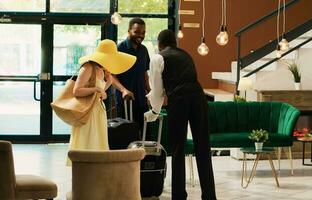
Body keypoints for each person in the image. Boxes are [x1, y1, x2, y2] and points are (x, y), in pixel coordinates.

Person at [144, 29, 217, 200]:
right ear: (175, 43)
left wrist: (154, 111)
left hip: (180, 101)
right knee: (203, 148)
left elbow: (157, 89)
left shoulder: (158, 57)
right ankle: (209, 196)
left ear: (159, 44)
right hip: (199, 99)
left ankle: (179, 196)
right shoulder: (186, 55)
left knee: (178, 149)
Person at [67, 39, 136, 165]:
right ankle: (83, 171)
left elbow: (99, 93)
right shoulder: (88, 67)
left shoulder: (100, 70)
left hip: (97, 111)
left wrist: (108, 81)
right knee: (88, 142)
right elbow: (77, 91)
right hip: (87, 112)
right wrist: (96, 88)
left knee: (96, 142)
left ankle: (95, 171)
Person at [112, 17, 150, 130]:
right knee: (125, 133)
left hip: (141, 99)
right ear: (129, 31)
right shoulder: (119, 49)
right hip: (125, 100)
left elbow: (144, 74)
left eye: (143, 32)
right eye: (136, 32)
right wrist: (123, 90)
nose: (140, 35)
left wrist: (150, 91)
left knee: (143, 132)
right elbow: (111, 75)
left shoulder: (144, 50)